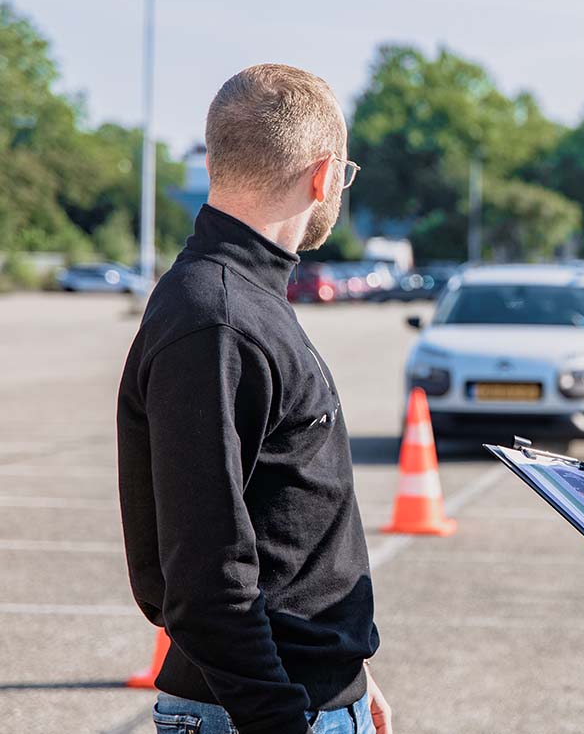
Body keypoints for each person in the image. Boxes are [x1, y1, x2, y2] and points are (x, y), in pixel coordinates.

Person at [117, 64, 391, 734]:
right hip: (257, 714)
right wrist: (283, 719)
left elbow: (283, 525)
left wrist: (352, 673)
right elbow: (206, 581)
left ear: (214, 161)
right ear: (324, 176)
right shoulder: (216, 319)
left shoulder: (242, 299)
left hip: (308, 694)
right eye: (344, 178)